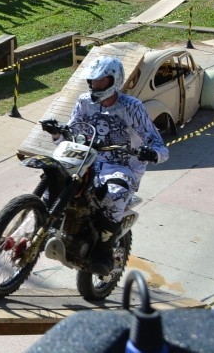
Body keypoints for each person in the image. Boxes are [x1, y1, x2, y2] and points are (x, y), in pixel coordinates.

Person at [47, 56, 169, 275]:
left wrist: (151, 153)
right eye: (93, 81)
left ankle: (104, 249)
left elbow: (160, 146)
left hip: (121, 166)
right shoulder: (84, 101)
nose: (96, 86)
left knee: (114, 194)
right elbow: (72, 133)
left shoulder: (132, 107)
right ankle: (41, 225)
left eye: (101, 81)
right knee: (54, 177)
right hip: (86, 159)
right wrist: (57, 133)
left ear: (115, 80)